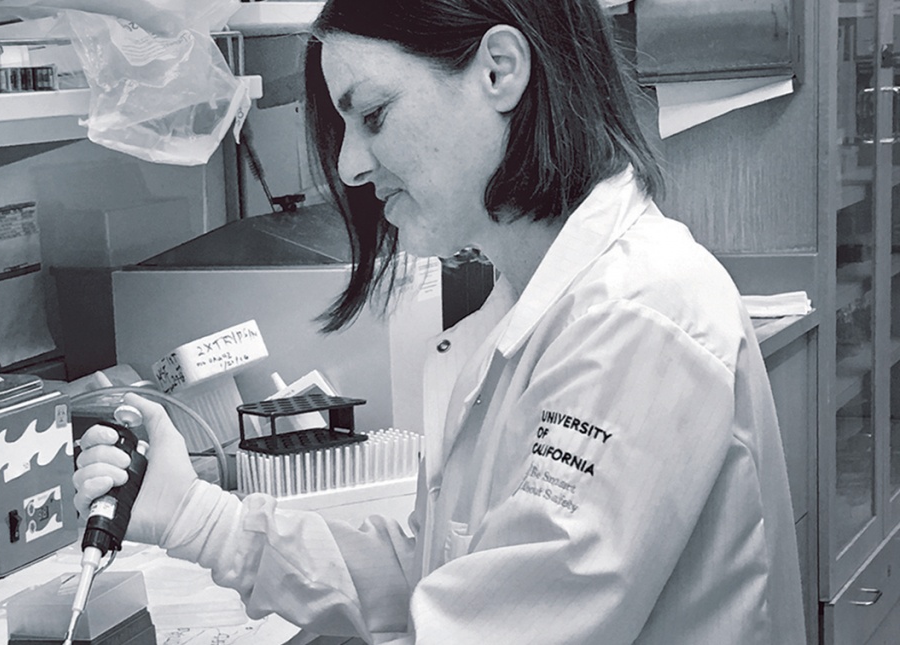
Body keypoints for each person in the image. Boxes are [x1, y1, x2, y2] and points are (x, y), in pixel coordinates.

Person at [73, 1, 807, 643]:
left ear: (499, 70)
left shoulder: (639, 318)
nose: (353, 163)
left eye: (375, 115)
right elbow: (444, 569)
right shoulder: (521, 308)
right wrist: (196, 516)